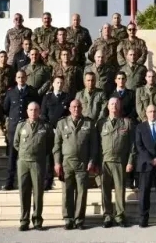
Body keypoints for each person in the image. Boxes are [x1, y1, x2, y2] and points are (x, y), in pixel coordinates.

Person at [53, 99, 98, 230]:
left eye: (78, 107)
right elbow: (56, 146)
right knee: (67, 192)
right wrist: (57, 162)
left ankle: (79, 219)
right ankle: (68, 219)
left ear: (81, 108)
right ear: (69, 108)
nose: (76, 109)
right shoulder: (62, 123)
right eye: (74, 107)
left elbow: (94, 145)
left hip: (82, 164)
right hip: (66, 163)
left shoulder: (89, 123)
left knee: (82, 192)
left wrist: (92, 161)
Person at [96, 97, 136, 228]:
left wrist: (130, 162)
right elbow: (96, 145)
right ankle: (107, 216)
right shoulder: (101, 123)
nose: (114, 106)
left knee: (120, 190)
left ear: (120, 107)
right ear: (108, 106)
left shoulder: (126, 123)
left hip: (120, 161)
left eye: (116, 104)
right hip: (105, 161)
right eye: (112, 104)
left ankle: (120, 216)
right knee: (105, 191)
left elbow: (132, 145)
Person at [15, 101, 53, 231]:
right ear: (27, 111)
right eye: (31, 110)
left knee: (38, 192)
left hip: (38, 162)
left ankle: (37, 220)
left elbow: (50, 144)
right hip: (23, 162)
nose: (33, 112)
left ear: (39, 111)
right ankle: (24, 220)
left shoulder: (45, 127)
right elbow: (16, 143)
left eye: (36, 110)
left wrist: (40, 154)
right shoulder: (21, 126)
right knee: (24, 191)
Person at [2, 70, 42, 191]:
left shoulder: (32, 92)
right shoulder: (11, 92)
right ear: (16, 78)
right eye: (19, 77)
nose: (21, 79)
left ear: (26, 78)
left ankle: (27, 182)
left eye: (23, 77)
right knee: (12, 156)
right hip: (14, 128)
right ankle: (9, 181)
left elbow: (37, 106)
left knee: (28, 155)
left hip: (28, 128)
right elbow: (5, 108)